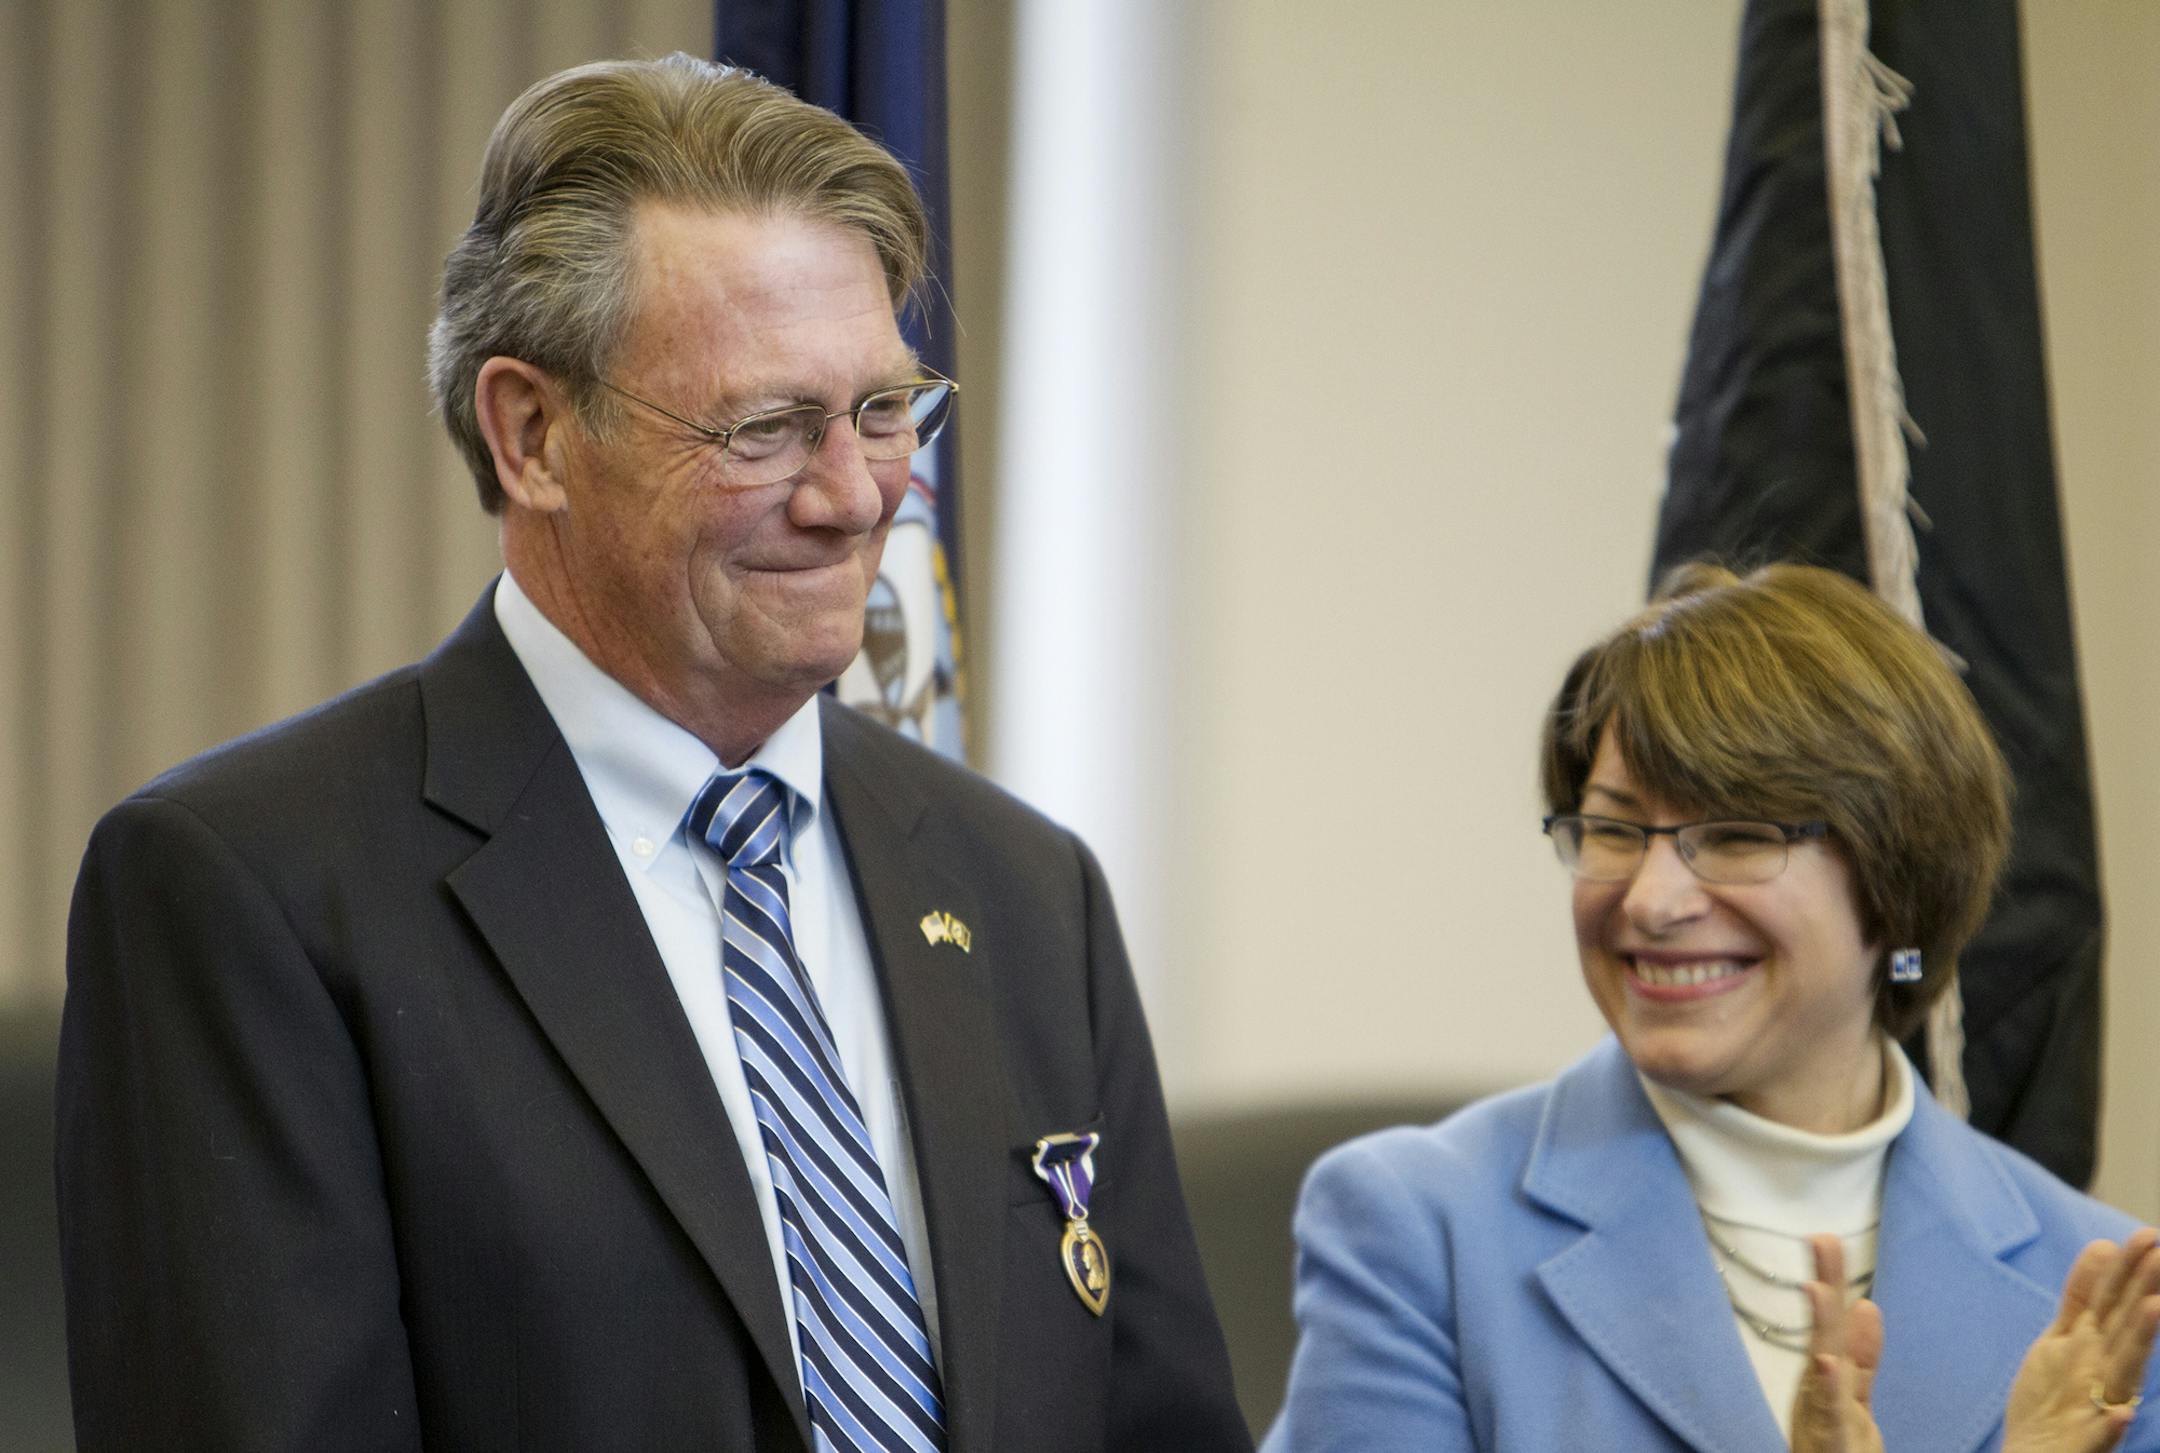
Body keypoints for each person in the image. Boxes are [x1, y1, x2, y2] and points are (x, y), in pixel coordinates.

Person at [56, 55, 1250, 1453]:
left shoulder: (1022, 887)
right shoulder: (247, 892)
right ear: (534, 433)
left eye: (881, 411)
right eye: (765, 427)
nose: (857, 495)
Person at [1264, 563, 2160, 1453]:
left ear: (1898, 884)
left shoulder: (2104, 1300)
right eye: (1614, 828)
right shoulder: (1418, 1231)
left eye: (1735, 834)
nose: (1650, 900)